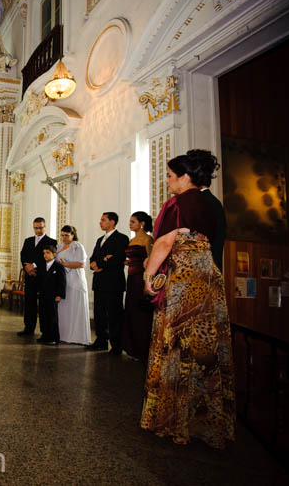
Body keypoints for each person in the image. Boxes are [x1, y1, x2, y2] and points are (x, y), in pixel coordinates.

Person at [141, 150, 234, 449]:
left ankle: (172, 418)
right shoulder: (214, 204)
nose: (167, 181)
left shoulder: (180, 202)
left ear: (184, 177)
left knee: (177, 348)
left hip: (184, 283)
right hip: (209, 282)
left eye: (170, 176)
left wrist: (149, 277)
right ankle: (205, 423)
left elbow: (166, 241)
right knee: (205, 352)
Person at [86, 212, 129, 354]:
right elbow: (93, 257)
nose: (100, 222)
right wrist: (96, 263)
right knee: (99, 313)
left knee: (114, 315)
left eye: (103, 220)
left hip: (113, 283)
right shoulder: (100, 240)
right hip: (99, 282)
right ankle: (101, 341)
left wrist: (101, 262)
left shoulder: (122, 238)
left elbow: (117, 259)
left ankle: (116, 345)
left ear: (112, 222)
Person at [121, 211, 154, 362]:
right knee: (131, 311)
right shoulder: (131, 240)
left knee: (141, 314)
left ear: (142, 224)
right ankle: (132, 348)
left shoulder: (148, 239)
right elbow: (131, 259)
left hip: (141, 279)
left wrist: (148, 282)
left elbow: (152, 261)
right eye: (130, 221)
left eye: (133, 221)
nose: (130, 224)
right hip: (131, 278)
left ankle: (143, 350)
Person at [17, 217, 57, 337]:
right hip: (30, 276)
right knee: (29, 303)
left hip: (44, 277)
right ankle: (28, 328)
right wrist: (26, 267)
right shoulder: (28, 240)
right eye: (36, 228)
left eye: (40, 227)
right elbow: (23, 255)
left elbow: (48, 258)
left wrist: (33, 266)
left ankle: (45, 331)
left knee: (44, 305)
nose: (38, 230)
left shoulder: (52, 241)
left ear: (45, 227)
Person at [56, 225, 91, 345]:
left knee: (75, 306)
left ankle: (77, 336)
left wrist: (66, 264)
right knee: (64, 307)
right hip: (62, 280)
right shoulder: (59, 247)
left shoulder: (77, 246)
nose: (64, 238)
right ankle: (64, 334)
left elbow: (82, 264)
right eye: (62, 235)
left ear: (73, 235)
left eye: (67, 235)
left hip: (75, 280)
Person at [37, 245, 66, 345]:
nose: (45, 255)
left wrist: (60, 295)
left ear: (54, 254)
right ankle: (44, 335)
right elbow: (40, 281)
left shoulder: (59, 266)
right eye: (44, 253)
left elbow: (62, 282)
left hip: (53, 296)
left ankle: (53, 337)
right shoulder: (42, 266)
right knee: (43, 315)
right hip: (43, 295)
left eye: (48, 253)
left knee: (52, 317)